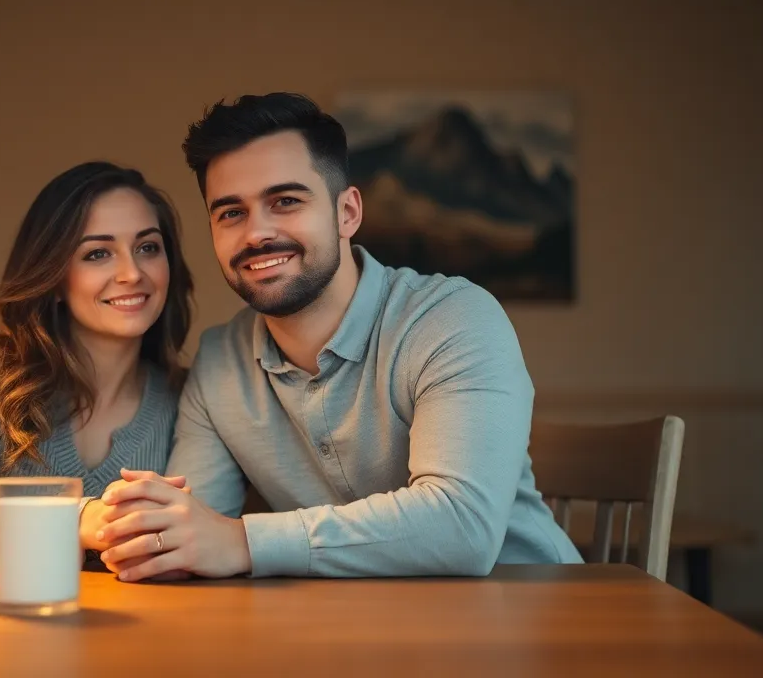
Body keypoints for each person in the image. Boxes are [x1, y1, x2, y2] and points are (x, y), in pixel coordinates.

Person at [84, 93, 583, 581]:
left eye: (285, 201)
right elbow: (190, 531)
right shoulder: (220, 360)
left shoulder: (452, 319)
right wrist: (135, 528)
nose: (256, 233)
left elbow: (462, 528)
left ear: (348, 213)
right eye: (231, 212)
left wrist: (240, 541)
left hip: (538, 623)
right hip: (357, 637)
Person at [0, 161, 194, 565]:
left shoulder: (187, 398)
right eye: (98, 253)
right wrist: (78, 518)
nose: (132, 273)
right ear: (55, 278)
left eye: (148, 247)